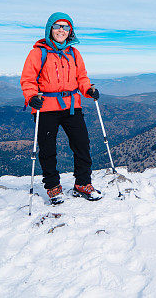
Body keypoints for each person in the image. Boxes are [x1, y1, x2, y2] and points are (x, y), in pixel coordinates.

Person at [21, 12, 102, 204]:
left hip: (72, 106)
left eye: (66, 27)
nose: (61, 30)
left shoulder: (74, 53)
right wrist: (31, 97)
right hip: (46, 107)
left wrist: (88, 90)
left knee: (82, 144)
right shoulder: (37, 53)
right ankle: (52, 186)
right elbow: (28, 79)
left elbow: (81, 77)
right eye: (58, 26)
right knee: (48, 148)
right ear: (50, 28)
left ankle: (82, 183)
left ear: (70, 31)